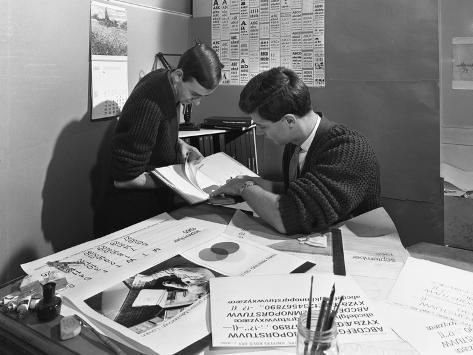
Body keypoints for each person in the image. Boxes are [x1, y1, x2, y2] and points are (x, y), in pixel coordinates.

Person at [211, 67, 380, 235]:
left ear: (289, 121)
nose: (260, 133)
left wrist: (244, 187)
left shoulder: (347, 150)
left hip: (353, 250)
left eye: (262, 126)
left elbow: (289, 218)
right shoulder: (295, 142)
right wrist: (254, 182)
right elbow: (297, 190)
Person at [101, 43, 223, 234]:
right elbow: (124, 179)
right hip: (133, 216)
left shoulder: (167, 81)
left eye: (202, 97)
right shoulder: (151, 102)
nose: (197, 102)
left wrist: (180, 145)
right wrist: (178, 179)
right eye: (194, 94)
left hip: (156, 207)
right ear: (179, 75)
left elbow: (153, 132)